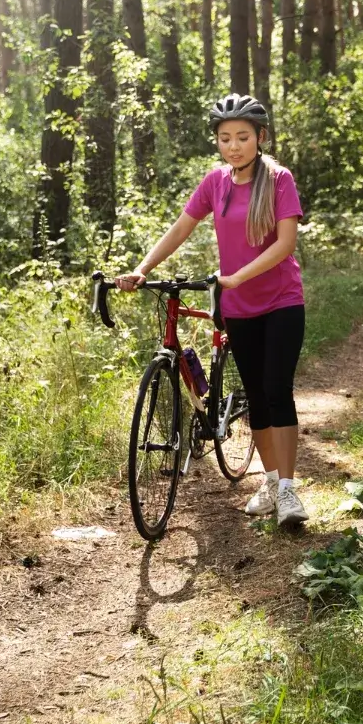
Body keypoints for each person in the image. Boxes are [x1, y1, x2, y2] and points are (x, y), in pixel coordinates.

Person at [115, 94, 309, 528]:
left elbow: (285, 244)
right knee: (256, 395)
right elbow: (181, 228)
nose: (234, 146)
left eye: (243, 137)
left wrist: (237, 276)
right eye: (225, 138)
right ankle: (270, 480)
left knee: (277, 390)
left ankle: (289, 491)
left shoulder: (278, 180)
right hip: (238, 308)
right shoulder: (215, 183)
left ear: (260, 137)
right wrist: (141, 269)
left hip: (281, 302)